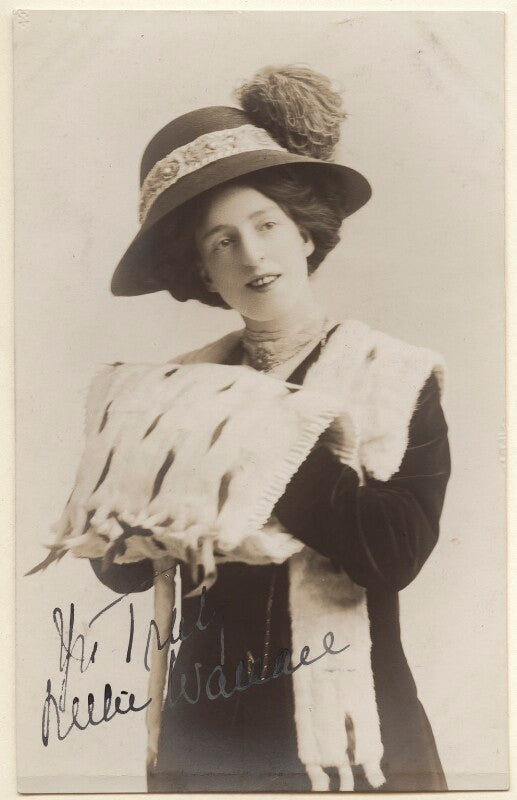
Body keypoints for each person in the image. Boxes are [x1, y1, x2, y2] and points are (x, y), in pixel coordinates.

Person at [89, 66, 451, 792]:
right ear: (203, 272)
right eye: (221, 242)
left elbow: (393, 553)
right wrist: (119, 482)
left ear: (305, 235)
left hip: (358, 739)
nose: (252, 255)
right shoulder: (171, 389)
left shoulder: (395, 374)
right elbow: (120, 568)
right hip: (207, 732)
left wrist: (248, 423)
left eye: (266, 226)